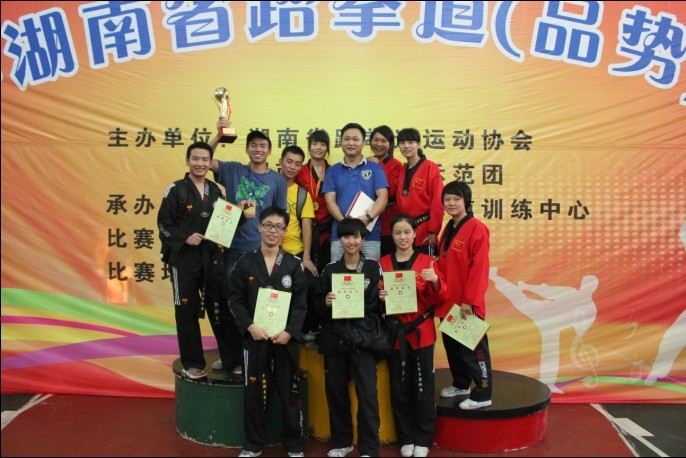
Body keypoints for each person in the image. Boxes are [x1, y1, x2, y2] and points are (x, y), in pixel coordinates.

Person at [157, 141, 243, 380]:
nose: (200, 164)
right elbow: (163, 224)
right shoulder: (175, 190)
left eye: (205, 159)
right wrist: (185, 237)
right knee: (187, 311)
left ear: (209, 162)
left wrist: (239, 212)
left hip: (212, 257)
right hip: (184, 260)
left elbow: (223, 225)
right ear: (187, 161)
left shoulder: (216, 191)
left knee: (221, 307)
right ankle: (193, 363)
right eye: (195, 159)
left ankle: (233, 359)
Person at [228, 206, 307, 458]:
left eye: (278, 227)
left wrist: (290, 331)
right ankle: (253, 444)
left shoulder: (293, 264)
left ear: (285, 232)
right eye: (268, 225)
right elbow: (235, 300)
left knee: (289, 393)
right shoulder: (245, 263)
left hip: (284, 340)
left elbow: (301, 304)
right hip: (256, 338)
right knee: (254, 393)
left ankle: (294, 445)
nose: (273, 231)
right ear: (259, 227)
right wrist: (250, 326)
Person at [209, 118, 287, 372]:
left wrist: (277, 250)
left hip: (263, 252)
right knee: (233, 305)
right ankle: (233, 357)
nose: (258, 149)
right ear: (247, 149)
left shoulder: (277, 180)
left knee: (260, 306)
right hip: (233, 249)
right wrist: (219, 134)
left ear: (269, 151)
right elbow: (206, 160)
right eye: (253, 145)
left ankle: (257, 358)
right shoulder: (233, 170)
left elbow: (280, 217)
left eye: (263, 146)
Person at [379, 214, 449, 458]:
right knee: (400, 389)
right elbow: (378, 305)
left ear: (415, 234)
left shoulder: (427, 262)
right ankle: (406, 437)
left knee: (423, 387)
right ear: (392, 235)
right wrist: (380, 298)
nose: (403, 237)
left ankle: (422, 438)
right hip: (396, 334)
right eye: (398, 233)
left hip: (422, 333)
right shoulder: (383, 263)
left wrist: (436, 281)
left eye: (407, 232)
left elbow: (442, 297)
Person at [315, 218, 384, 457]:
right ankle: (341, 442)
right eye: (346, 236)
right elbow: (317, 304)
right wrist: (326, 302)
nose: (351, 241)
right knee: (336, 393)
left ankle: (369, 447)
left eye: (355, 236)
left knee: (367, 395)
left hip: (363, 339)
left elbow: (375, 303)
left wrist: (360, 303)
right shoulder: (330, 270)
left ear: (363, 239)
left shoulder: (373, 267)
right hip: (335, 340)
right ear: (340, 240)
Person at [435, 180, 493, 410]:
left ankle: (483, 393)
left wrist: (470, 301)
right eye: (447, 199)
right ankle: (461, 384)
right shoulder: (449, 227)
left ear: (466, 201)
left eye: (456, 199)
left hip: (466, 304)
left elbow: (480, 268)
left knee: (473, 351)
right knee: (453, 348)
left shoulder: (477, 228)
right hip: (448, 301)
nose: (451, 203)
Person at [322, 122, 388, 261]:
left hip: (369, 236)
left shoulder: (375, 168)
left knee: (370, 273)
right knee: (339, 274)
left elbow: (383, 198)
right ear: (341, 142)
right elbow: (330, 201)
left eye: (355, 139)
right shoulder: (332, 171)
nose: (351, 143)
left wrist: (368, 217)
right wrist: (345, 224)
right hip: (340, 236)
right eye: (347, 139)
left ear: (363, 143)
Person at [296, 129, 334, 341]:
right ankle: (307, 325)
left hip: (328, 233)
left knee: (325, 278)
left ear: (327, 148)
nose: (318, 148)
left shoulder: (334, 171)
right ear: (309, 146)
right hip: (305, 231)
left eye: (322, 144)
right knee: (307, 280)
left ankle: (324, 324)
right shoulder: (300, 170)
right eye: (315, 144)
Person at [395, 128, 444, 255]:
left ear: (418, 144)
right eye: (402, 143)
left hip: (425, 230)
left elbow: (438, 200)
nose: (406, 146)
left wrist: (433, 230)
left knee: (425, 265)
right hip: (405, 231)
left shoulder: (430, 167)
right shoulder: (402, 170)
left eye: (411, 142)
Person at [368, 125, 404, 257]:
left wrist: (379, 165)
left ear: (391, 144)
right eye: (375, 140)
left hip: (389, 221)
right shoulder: (366, 163)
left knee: (388, 261)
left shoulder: (396, 165)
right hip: (368, 218)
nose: (379, 144)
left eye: (383, 141)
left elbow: (392, 191)